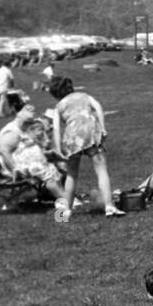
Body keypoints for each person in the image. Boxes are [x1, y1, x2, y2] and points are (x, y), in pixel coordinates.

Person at [49, 76, 124, 220]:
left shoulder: (59, 106)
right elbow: (98, 106)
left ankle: (66, 212)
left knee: (71, 175)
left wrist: (58, 148)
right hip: (91, 133)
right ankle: (109, 206)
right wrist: (102, 126)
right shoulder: (84, 96)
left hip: (72, 138)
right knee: (101, 171)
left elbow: (56, 129)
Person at [0, 105, 68, 203]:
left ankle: (62, 196)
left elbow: (29, 147)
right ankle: (64, 201)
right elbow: (4, 152)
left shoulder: (23, 128)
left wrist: (47, 153)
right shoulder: (12, 132)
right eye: (27, 122)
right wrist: (16, 168)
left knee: (54, 167)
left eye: (30, 122)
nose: (29, 124)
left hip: (30, 162)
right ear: (19, 119)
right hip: (16, 166)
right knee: (48, 174)